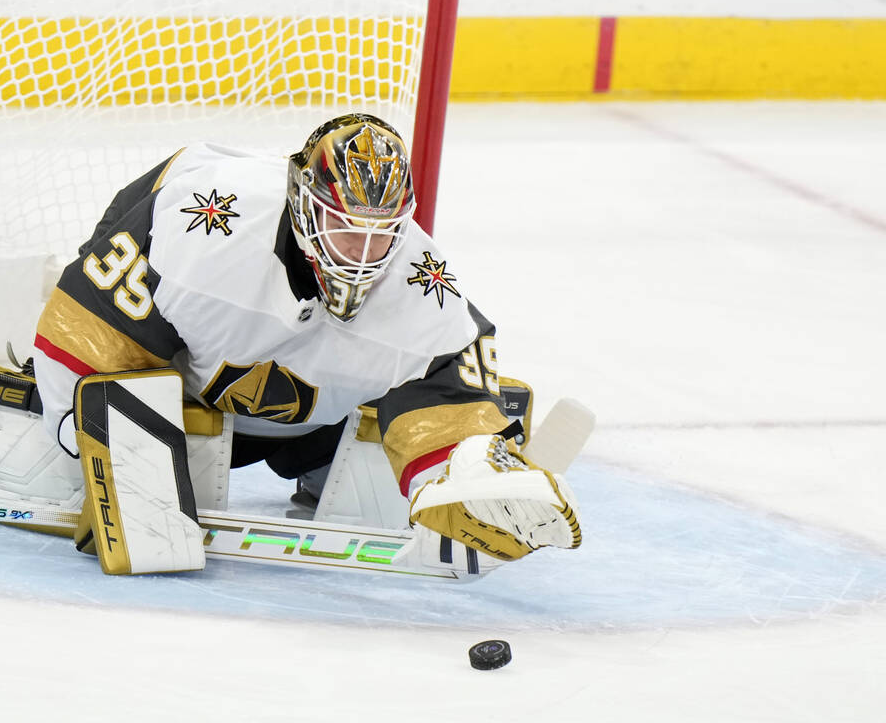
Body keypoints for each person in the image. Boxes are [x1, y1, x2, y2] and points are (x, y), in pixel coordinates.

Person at [32, 113, 581, 565]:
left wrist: (467, 476)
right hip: (187, 374)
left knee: (408, 406)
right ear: (303, 202)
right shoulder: (197, 231)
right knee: (124, 389)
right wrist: (87, 439)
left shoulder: (425, 289)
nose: (361, 255)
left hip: (301, 406)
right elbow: (94, 315)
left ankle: (320, 455)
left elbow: (446, 393)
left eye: (382, 234)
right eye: (345, 227)